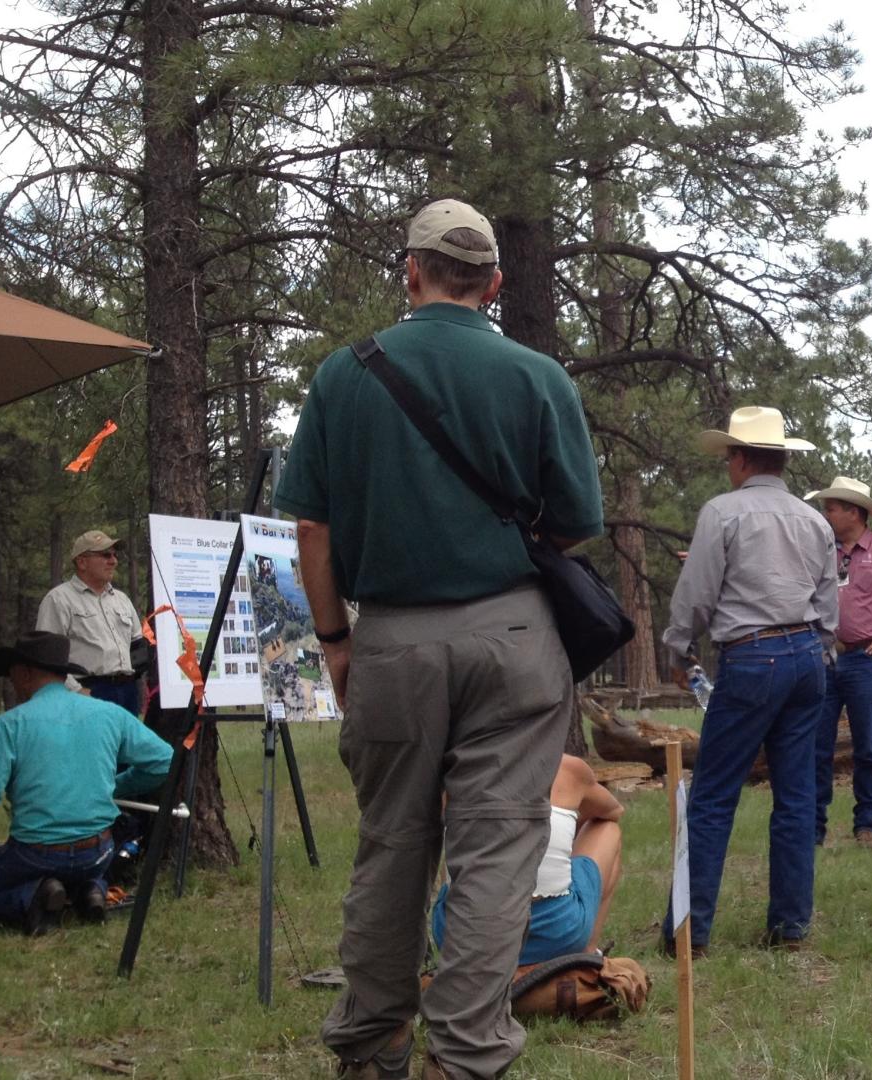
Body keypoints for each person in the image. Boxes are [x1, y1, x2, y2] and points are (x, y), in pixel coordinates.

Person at [275, 198, 605, 1080]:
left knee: (391, 845)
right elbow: (576, 523)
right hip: (514, 636)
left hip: (389, 642)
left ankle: (373, 1045)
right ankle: (464, 1056)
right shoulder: (539, 378)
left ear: (410, 271)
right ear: (493, 284)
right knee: (499, 850)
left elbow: (313, 529)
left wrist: (336, 641)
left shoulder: (344, 376)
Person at [661, 405, 835, 954]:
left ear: (738, 459)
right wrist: (816, 647)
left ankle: (689, 932)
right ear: (780, 459)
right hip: (807, 656)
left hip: (752, 657)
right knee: (796, 794)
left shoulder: (722, 513)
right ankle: (790, 925)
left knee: (713, 796)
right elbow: (829, 607)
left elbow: (697, 593)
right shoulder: (815, 521)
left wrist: (678, 646)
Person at [0, 632, 171, 935]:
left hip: (33, 853)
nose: (10, 681)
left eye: (12, 672)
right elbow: (165, 761)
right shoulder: (109, 714)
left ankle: (31, 897)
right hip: (97, 852)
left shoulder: (7, 726)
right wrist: (117, 786)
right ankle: (89, 889)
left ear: (25, 673)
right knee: (81, 863)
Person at [431, 754, 623, 966]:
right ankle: (587, 955)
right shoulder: (566, 767)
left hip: (459, 937)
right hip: (556, 933)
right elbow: (613, 810)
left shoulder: (457, 768)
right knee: (607, 828)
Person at [803, 475, 872, 848]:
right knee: (816, 745)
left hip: (867, 659)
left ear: (853, 512)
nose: (825, 513)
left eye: (831, 507)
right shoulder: (819, 550)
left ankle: (868, 825)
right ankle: (812, 828)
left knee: (867, 745)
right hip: (824, 658)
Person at [36, 530, 143, 717]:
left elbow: (137, 645)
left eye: (114, 555)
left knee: (125, 747)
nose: (113, 561)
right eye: (105, 555)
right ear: (82, 562)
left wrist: (137, 683)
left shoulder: (122, 599)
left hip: (128, 692)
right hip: (88, 691)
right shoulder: (59, 599)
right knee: (93, 747)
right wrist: (76, 691)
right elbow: (46, 658)